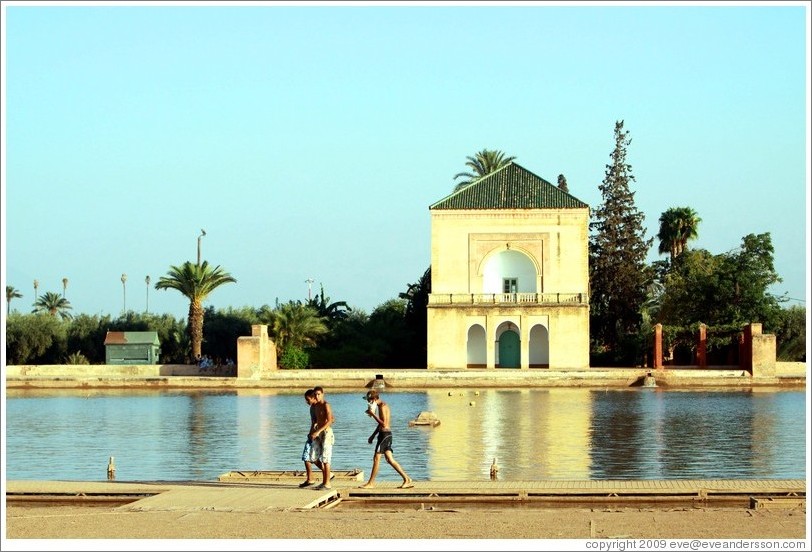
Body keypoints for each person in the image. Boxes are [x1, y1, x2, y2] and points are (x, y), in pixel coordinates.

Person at [360, 389, 414, 489]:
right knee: (390, 459)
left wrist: (372, 414)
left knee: (376, 458)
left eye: (370, 400)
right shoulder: (381, 406)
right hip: (385, 434)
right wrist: (373, 435)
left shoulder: (382, 407)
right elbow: (381, 424)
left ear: (375, 399)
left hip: (385, 435)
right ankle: (407, 479)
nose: (369, 402)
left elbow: (384, 424)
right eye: (368, 400)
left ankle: (371, 483)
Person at [309, 386, 335, 490]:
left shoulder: (326, 405)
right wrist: (312, 432)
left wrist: (318, 431)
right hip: (318, 433)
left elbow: (330, 420)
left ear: (323, 394)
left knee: (326, 458)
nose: (317, 396)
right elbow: (314, 421)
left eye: (319, 394)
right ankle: (326, 479)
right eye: (315, 394)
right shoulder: (315, 406)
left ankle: (327, 483)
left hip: (326, 432)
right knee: (313, 457)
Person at [298, 389, 322, 488]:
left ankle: (313, 478)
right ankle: (310, 478)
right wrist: (310, 433)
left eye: (308, 399)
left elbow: (319, 422)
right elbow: (313, 422)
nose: (307, 402)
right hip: (312, 434)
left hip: (317, 435)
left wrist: (314, 433)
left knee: (308, 457)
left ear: (313, 398)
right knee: (308, 457)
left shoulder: (318, 407)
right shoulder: (312, 407)